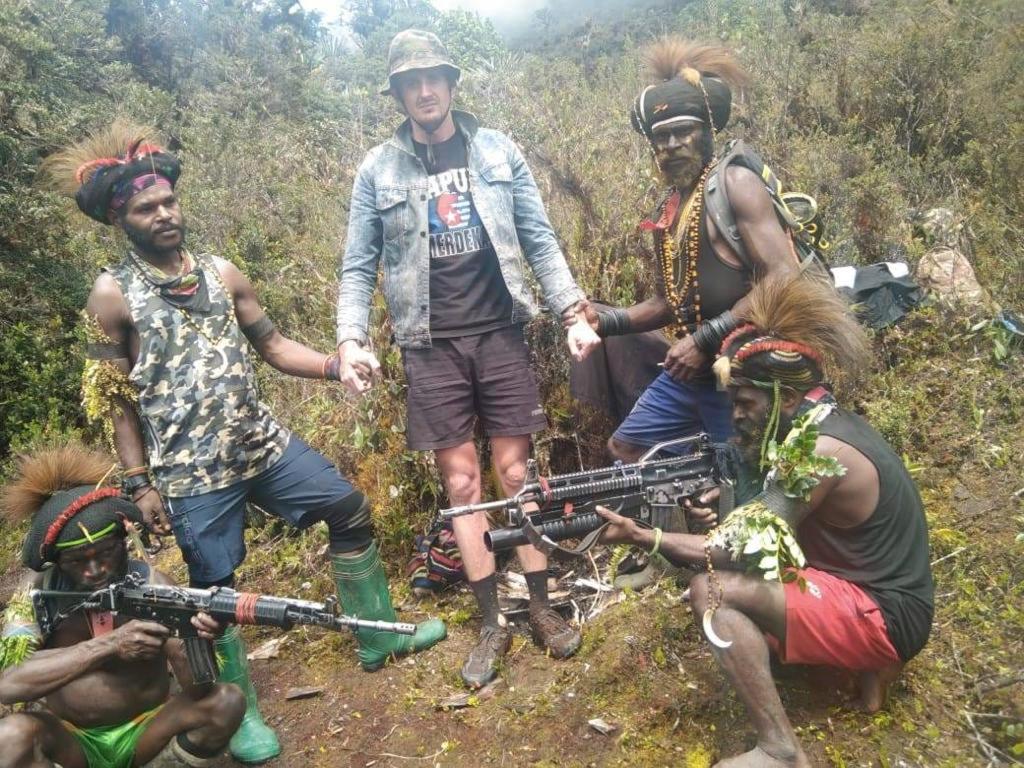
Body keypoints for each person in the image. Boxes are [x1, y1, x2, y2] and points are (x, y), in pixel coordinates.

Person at [42, 121, 446, 763]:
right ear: (123, 219)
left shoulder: (223, 271)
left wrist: (337, 365)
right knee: (216, 593)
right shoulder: (111, 296)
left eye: (169, 201)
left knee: (347, 508)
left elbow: (275, 346)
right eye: (147, 208)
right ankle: (241, 713)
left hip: (261, 445)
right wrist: (139, 483)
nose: (165, 214)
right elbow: (114, 401)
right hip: (191, 473)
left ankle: (379, 639)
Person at [335, 29, 602, 688]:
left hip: (499, 332)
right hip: (430, 345)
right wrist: (350, 338)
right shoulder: (378, 169)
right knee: (462, 486)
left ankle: (540, 606)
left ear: (451, 85)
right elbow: (357, 264)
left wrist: (571, 311)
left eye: (434, 79)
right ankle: (492, 624)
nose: (424, 91)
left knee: (517, 473)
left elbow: (538, 238)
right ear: (398, 93)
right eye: (410, 82)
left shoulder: (496, 149)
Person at [597, 275, 934, 767]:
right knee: (740, 586)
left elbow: (736, 554)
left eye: (745, 403)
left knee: (712, 591)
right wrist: (723, 508)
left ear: (788, 399)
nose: (734, 416)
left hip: (886, 616)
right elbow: (772, 530)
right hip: (885, 598)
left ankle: (781, 749)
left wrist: (643, 537)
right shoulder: (823, 425)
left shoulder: (816, 451)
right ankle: (869, 669)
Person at [583, 38, 798, 462]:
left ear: (707, 131)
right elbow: (667, 303)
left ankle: (719, 495)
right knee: (627, 448)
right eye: (661, 136)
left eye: (684, 131)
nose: (672, 144)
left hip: (743, 367)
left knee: (743, 471)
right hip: (692, 368)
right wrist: (602, 324)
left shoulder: (734, 183)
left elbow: (784, 274)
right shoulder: (669, 210)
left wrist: (704, 340)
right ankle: (695, 496)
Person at [0, 445, 246, 768]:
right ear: (57, 562)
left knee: (226, 702)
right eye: (77, 561)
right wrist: (110, 644)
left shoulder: (155, 586)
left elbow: (201, 691)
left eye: (105, 554)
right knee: (10, 736)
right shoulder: (35, 594)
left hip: (148, 731)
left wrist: (197, 639)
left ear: (123, 541)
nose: (94, 570)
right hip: (71, 739)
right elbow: (8, 683)